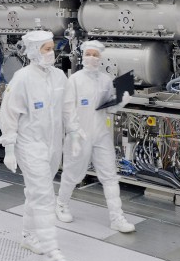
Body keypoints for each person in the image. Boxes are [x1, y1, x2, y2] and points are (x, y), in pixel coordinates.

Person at [0, 29, 74, 261]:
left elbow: (68, 107)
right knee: (44, 196)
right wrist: (9, 148)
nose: (51, 53)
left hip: (53, 145)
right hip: (29, 145)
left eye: (52, 48)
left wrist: (75, 132)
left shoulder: (59, 76)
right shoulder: (22, 78)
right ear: (33, 52)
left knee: (36, 192)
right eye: (46, 49)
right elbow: (8, 114)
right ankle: (52, 252)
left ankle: (29, 235)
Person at [57, 40, 136, 233]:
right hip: (79, 135)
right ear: (83, 56)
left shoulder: (105, 80)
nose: (91, 58)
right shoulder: (75, 80)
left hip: (101, 134)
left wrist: (122, 102)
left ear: (100, 58)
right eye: (88, 54)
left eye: (95, 55)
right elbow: (67, 109)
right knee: (72, 174)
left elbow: (108, 107)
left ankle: (117, 218)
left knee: (109, 176)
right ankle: (61, 205)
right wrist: (73, 133)